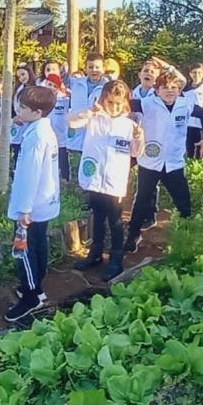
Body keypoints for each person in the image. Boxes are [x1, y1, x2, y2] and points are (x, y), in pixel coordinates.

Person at [124, 67, 203, 258]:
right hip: (150, 162)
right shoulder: (147, 104)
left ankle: (186, 237)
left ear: (180, 90)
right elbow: (125, 104)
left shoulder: (185, 105)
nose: (170, 90)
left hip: (173, 162)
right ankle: (133, 236)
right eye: (165, 87)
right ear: (157, 90)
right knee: (141, 201)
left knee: (183, 201)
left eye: (174, 87)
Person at [68, 79, 144, 279]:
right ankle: (95, 253)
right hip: (94, 178)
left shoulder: (129, 125)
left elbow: (137, 152)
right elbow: (72, 123)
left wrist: (138, 137)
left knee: (115, 220)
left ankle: (116, 258)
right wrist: (90, 112)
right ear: (103, 100)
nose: (114, 107)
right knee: (98, 216)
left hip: (114, 181)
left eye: (119, 103)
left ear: (125, 102)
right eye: (110, 102)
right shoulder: (94, 119)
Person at [5, 85, 61, 322]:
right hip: (44, 202)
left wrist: (24, 209)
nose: (19, 110)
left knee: (24, 249)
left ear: (37, 112)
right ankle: (36, 283)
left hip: (31, 205)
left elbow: (30, 174)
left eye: (24, 107)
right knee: (38, 244)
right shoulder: (40, 130)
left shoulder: (37, 138)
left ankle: (32, 294)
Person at [67, 52, 107, 154]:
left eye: (97, 67)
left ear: (103, 68)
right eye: (90, 67)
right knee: (73, 169)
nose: (94, 70)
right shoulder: (76, 84)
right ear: (85, 69)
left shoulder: (108, 88)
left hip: (96, 141)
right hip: (75, 141)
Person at [41, 72, 72, 181]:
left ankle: (65, 182)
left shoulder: (64, 100)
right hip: (45, 139)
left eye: (55, 86)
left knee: (62, 163)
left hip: (61, 139)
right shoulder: (40, 100)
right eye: (50, 85)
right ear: (45, 84)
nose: (52, 88)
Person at [8, 63, 35, 161]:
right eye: (19, 76)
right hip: (20, 125)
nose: (21, 78)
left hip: (33, 124)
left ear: (29, 72)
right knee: (18, 153)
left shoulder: (37, 86)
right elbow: (13, 108)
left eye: (23, 74)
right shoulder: (18, 90)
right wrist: (14, 118)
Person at [183, 62, 203, 157]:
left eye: (199, 72)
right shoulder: (185, 89)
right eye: (194, 72)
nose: (196, 75)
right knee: (188, 150)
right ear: (190, 74)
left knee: (201, 151)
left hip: (202, 124)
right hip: (188, 123)